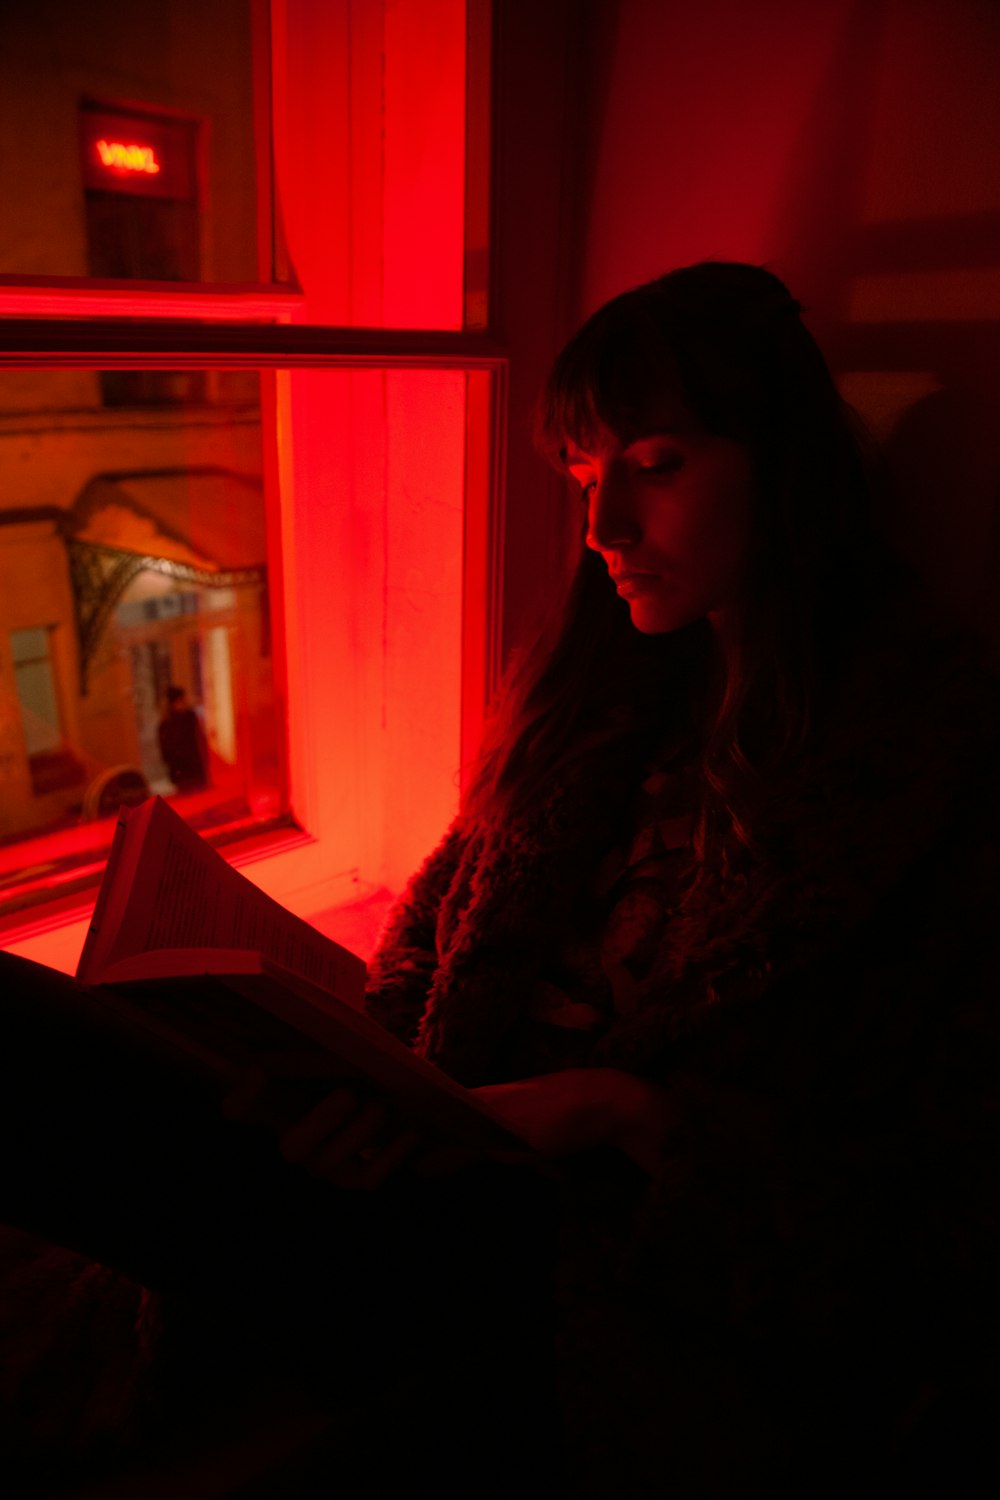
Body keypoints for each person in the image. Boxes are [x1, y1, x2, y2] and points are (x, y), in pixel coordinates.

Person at [1, 261, 998, 1495]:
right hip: (433, 1178)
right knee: (68, 1067)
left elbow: (932, 1208)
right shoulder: (595, 719)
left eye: (655, 465)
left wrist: (628, 1116)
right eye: (586, 478)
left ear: (783, 467)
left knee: (56, 1102)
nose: (602, 531)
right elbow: (427, 957)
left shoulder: (928, 778)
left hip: (594, 1277)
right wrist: (362, 1082)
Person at [157, 684, 210, 792]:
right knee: (186, 792)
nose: (183, 703)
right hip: (181, 767)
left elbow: (198, 739)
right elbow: (166, 747)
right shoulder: (167, 723)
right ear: (173, 703)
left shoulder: (189, 717)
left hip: (192, 765)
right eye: (180, 700)